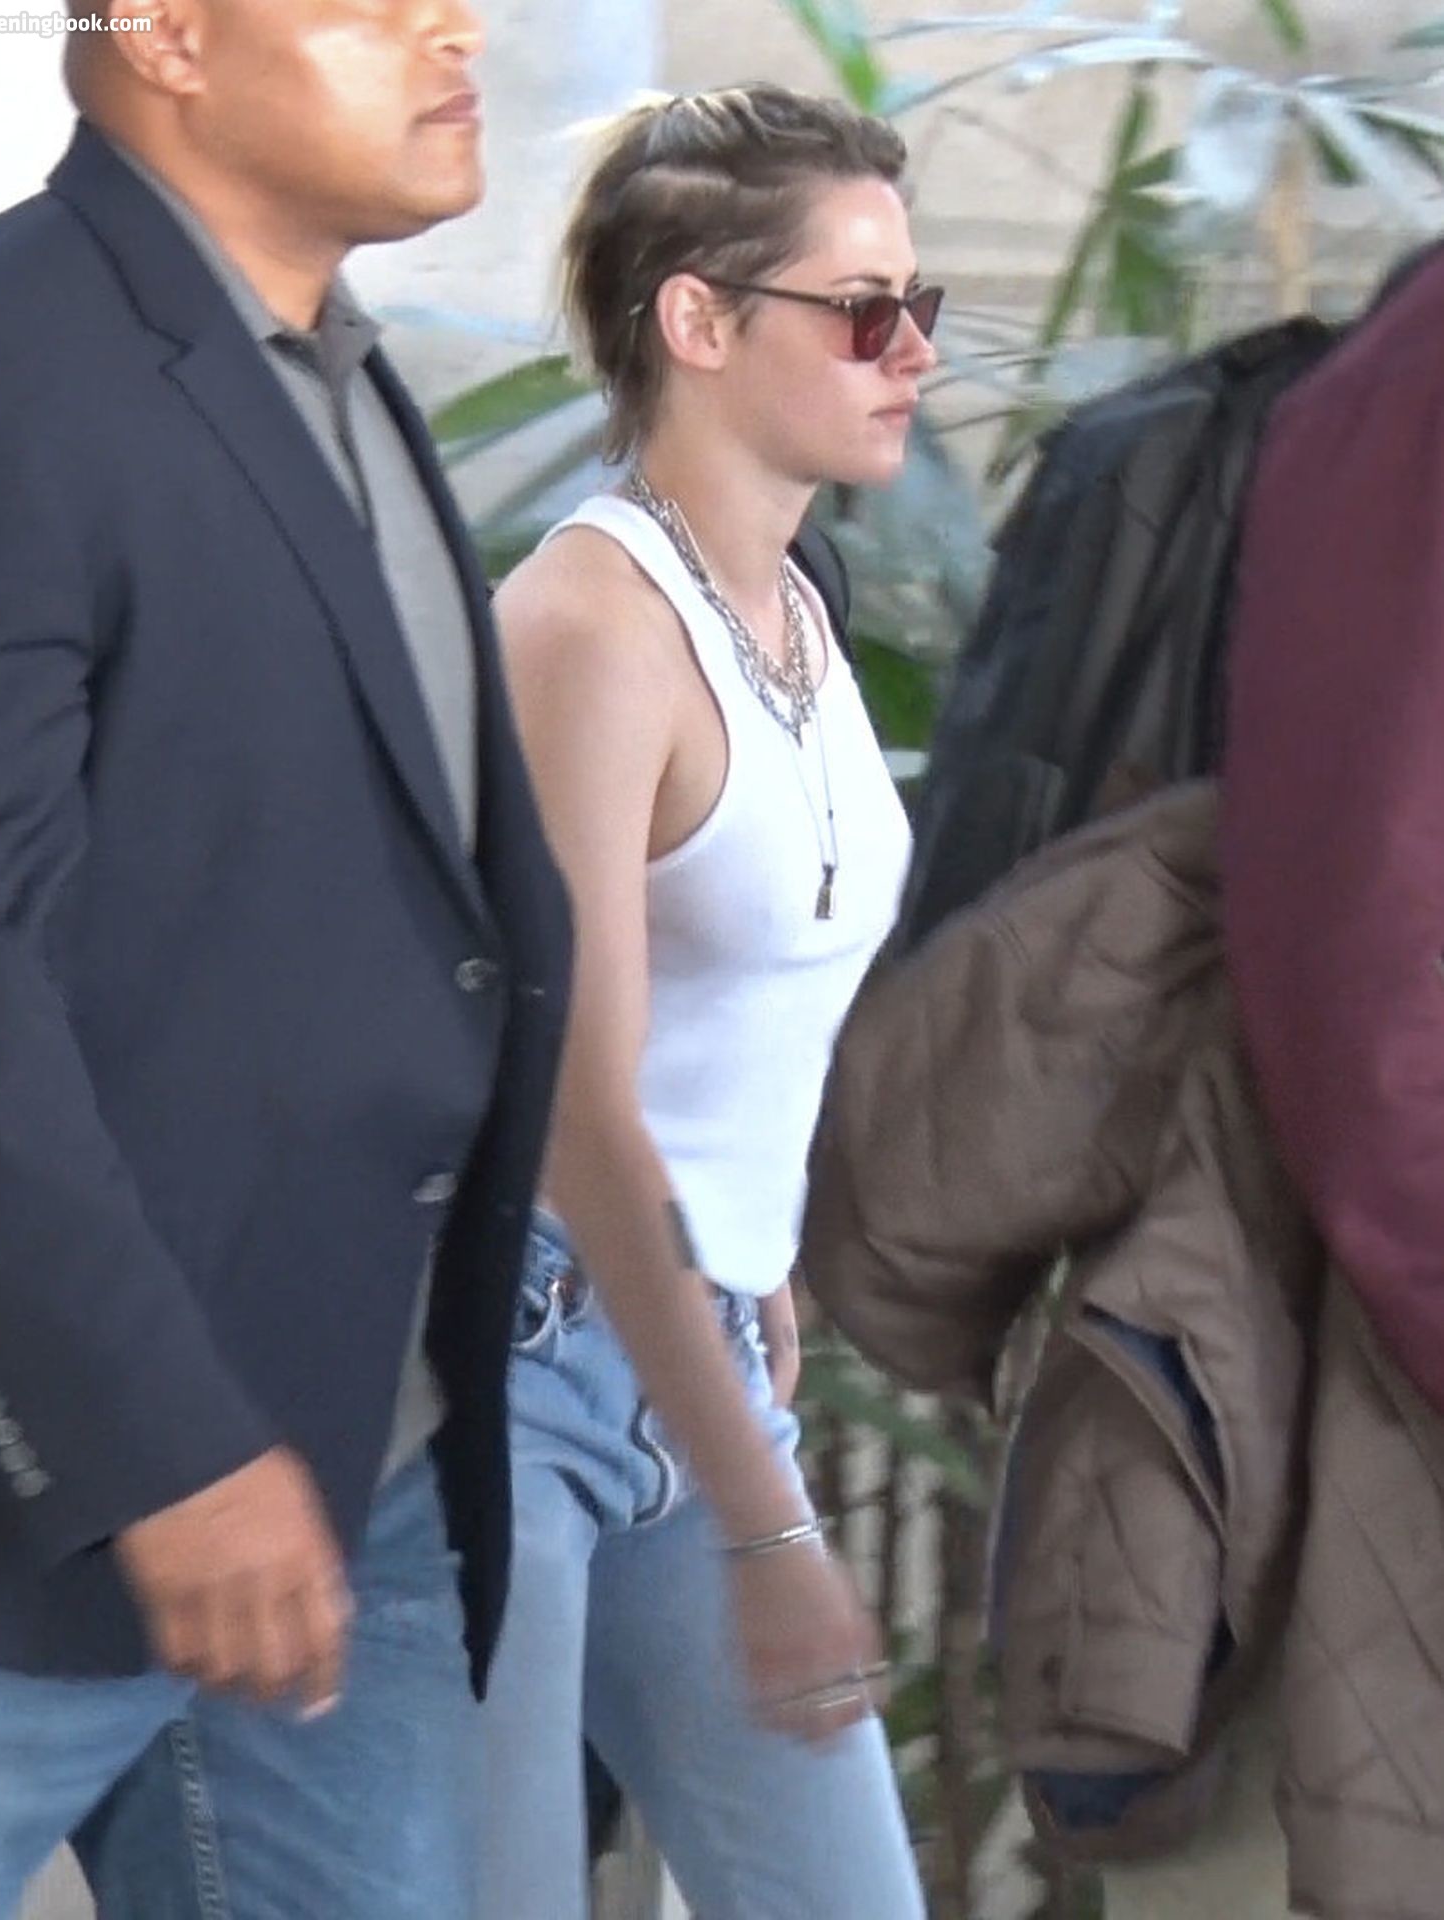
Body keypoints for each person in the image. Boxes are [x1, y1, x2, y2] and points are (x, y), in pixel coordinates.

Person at [0, 2, 570, 1916]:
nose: (456, 26)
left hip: (358, 1476)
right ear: (163, 33)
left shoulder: (335, 367)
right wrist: (155, 1442)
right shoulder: (1, 372)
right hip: (36, 1514)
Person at [475, 86, 933, 1920]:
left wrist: (764, 1265)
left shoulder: (798, 606)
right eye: (865, 309)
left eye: (920, 306)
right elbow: (576, 1103)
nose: (913, 352)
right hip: (519, 1361)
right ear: (700, 321)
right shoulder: (588, 628)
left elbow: (743, 1006)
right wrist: (766, 1515)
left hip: (701, 1340)